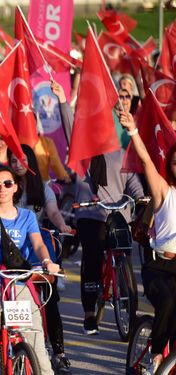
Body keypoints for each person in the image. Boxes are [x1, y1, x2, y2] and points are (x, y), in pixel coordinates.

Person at [0, 136, 60, 375]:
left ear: (16, 186)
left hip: (18, 282)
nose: (2, 189)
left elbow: (38, 244)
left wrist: (48, 262)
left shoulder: (27, 217)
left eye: (7, 184)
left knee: (37, 346)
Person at [73, 126, 144, 335]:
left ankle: (124, 288)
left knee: (124, 253)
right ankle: (89, 314)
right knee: (92, 259)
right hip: (91, 214)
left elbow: (132, 181)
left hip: (118, 214)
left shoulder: (121, 154)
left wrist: (140, 197)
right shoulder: (82, 154)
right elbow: (80, 179)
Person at [120, 111, 176, 372]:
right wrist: (133, 131)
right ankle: (155, 356)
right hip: (158, 267)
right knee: (167, 301)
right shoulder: (164, 191)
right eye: (175, 162)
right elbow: (145, 161)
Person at [9, 144, 73, 374]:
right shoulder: (6, 187)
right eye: (13, 160)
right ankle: (11, 347)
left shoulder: (42, 187)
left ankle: (59, 352)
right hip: (13, 248)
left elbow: (53, 212)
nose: (18, 165)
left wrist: (62, 224)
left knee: (51, 298)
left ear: (31, 162)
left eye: (22, 160)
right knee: (12, 295)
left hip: (39, 247)